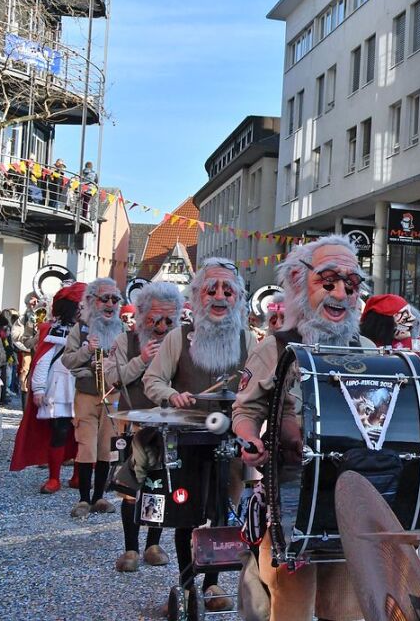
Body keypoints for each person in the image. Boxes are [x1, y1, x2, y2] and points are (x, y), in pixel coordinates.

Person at [234, 235, 374, 621]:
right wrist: (249, 439)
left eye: (351, 284)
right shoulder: (276, 348)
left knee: (345, 607)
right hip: (290, 491)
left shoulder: (367, 349)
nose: (341, 294)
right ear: (300, 284)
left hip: (351, 490)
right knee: (291, 605)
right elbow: (246, 410)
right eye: (328, 282)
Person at [143, 258, 254, 612]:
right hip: (187, 439)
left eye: (227, 290)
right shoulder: (179, 337)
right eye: (211, 289)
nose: (219, 297)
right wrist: (171, 395)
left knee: (223, 514)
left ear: (238, 298)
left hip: (231, 442)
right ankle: (187, 584)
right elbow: (152, 381)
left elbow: (261, 383)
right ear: (197, 296)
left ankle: (212, 585)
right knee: (186, 517)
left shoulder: (247, 338)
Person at [104, 281, 182, 573]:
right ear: (142, 315)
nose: (161, 327)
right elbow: (112, 378)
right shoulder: (125, 341)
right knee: (129, 488)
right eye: (154, 320)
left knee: (157, 487)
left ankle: (152, 544)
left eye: (168, 320)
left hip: (166, 427)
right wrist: (142, 360)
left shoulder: (180, 342)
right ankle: (130, 548)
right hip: (133, 424)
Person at [61, 278, 125, 518]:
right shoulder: (81, 328)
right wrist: (87, 352)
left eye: (114, 299)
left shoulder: (122, 330)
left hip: (113, 394)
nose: (110, 303)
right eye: (104, 298)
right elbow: (67, 360)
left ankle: (100, 496)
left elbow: (129, 362)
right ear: (92, 301)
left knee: (107, 447)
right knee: (86, 445)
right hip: (87, 394)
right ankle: (83, 499)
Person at [27, 285, 84, 492]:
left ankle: (79, 476)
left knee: (82, 434)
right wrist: (39, 388)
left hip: (83, 386)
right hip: (59, 387)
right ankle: (54, 478)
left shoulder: (92, 328)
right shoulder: (54, 329)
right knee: (59, 431)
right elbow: (43, 359)